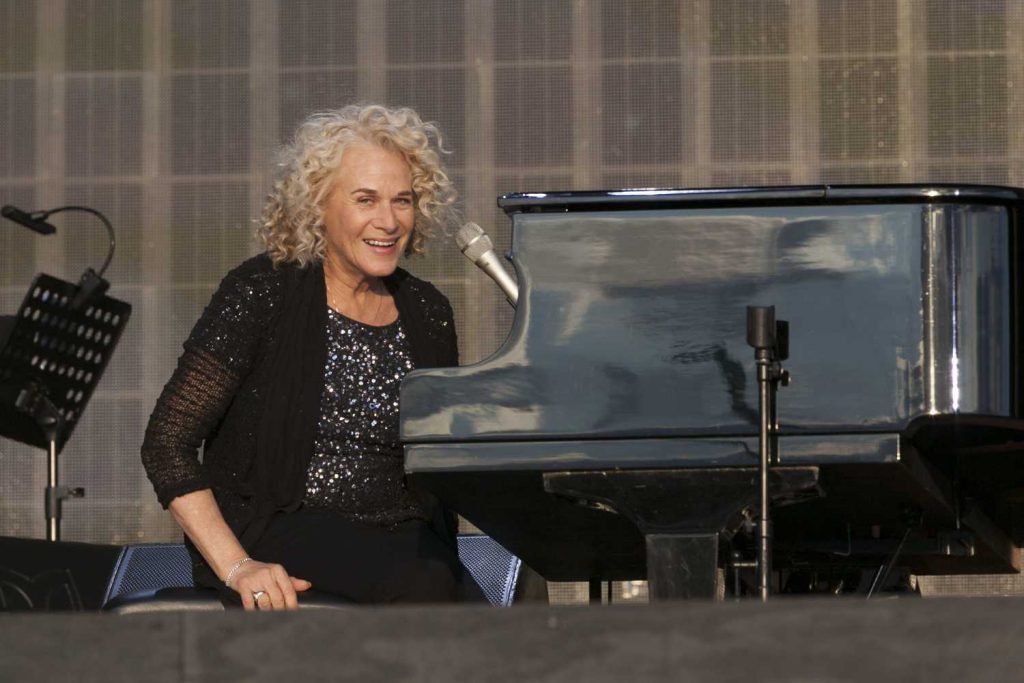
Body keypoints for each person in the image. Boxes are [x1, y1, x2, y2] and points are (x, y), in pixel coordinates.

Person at [141, 104, 467, 610]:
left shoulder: (428, 311)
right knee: (425, 584)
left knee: (515, 622)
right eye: (365, 200)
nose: (388, 220)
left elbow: (444, 464)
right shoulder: (263, 291)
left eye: (402, 200)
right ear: (318, 207)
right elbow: (167, 445)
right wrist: (237, 565)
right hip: (280, 529)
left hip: (407, 540)